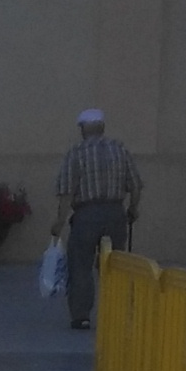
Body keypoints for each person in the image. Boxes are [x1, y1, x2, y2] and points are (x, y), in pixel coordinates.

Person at [51, 108, 143, 333]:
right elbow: (135, 185)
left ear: (83, 129)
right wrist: (132, 209)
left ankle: (81, 316)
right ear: (102, 128)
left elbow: (67, 192)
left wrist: (59, 222)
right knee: (114, 266)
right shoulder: (119, 149)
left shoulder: (76, 153)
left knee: (80, 265)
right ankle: (117, 313)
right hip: (115, 213)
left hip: (86, 215)